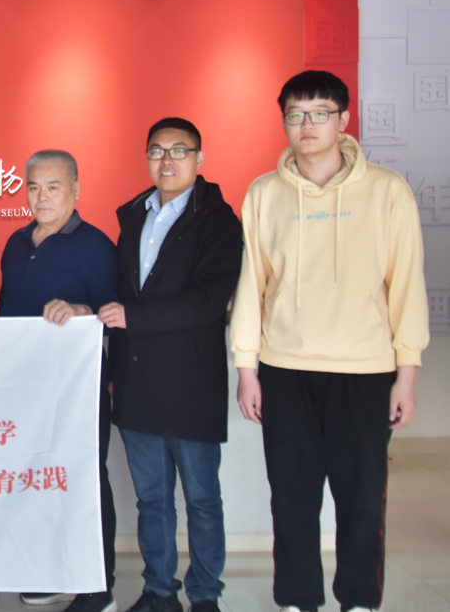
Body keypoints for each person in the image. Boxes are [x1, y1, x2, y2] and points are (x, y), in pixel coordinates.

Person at [231, 70, 429, 612]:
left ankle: (359, 600)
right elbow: (252, 286)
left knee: (361, 499)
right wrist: (246, 368)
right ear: (284, 122)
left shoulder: (387, 191)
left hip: (365, 371)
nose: (308, 125)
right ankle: (298, 599)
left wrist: (406, 374)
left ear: (343, 120)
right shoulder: (264, 193)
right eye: (296, 114)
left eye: (320, 113)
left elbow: (406, 285)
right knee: (291, 496)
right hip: (285, 369)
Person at [98, 119, 243, 612]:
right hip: (136, 381)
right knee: (152, 500)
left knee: (202, 499)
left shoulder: (219, 221)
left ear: (199, 159)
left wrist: (133, 318)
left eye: (179, 150)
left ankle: (204, 594)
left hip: (190, 383)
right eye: (157, 150)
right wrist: (115, 371)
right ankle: (159, 590)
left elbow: (208, 300)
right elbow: (121, 295)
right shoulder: (134, 216)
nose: (167, 160)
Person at [0, 150, 119, 612]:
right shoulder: (14, 243)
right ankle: (51, 573)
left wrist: (81, 310)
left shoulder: (96, 245)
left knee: (85, 479)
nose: (42, 197)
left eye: (53, 186)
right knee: (36, 478)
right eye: (33, 187)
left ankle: (98, 588)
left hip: (77, 390)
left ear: (76, 190)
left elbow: (111, 312)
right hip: (24, 388)